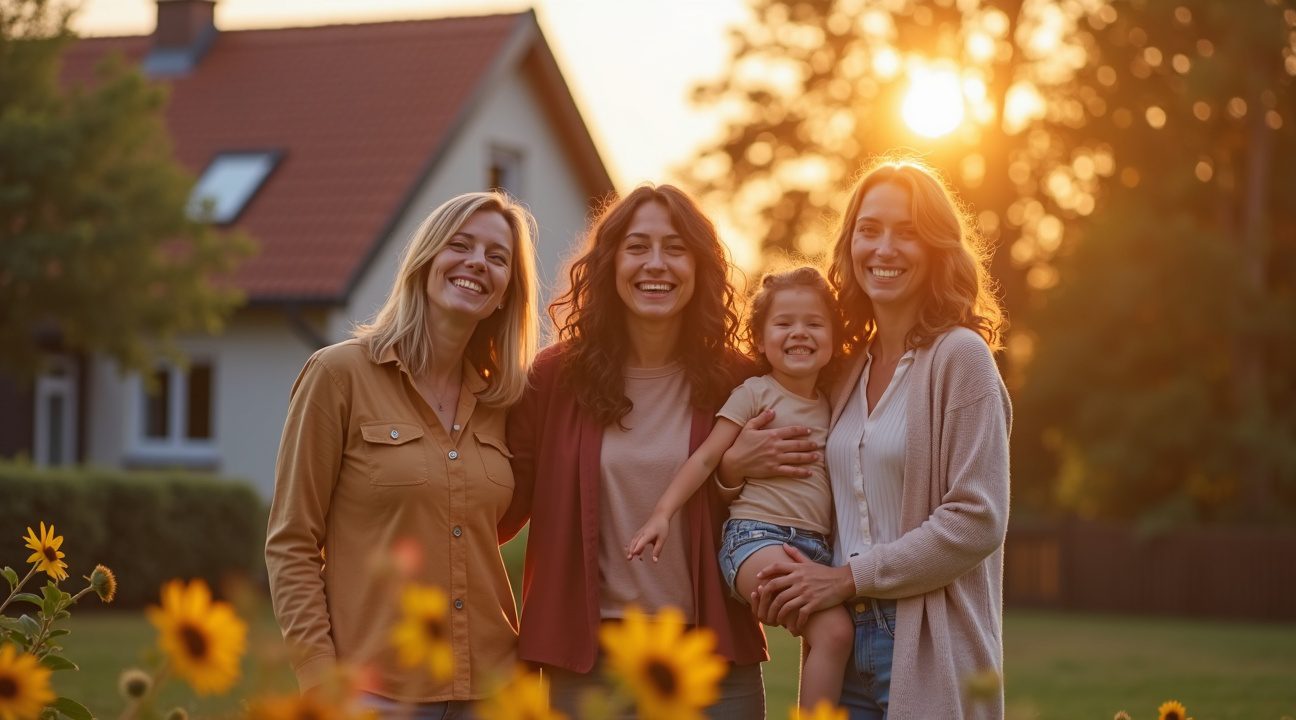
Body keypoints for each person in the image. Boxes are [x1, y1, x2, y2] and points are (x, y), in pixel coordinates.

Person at [726, 160, 1011, 719]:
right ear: (850, 243)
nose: (884, 248)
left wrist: (846, 578)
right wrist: (734, 471)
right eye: (869, 230)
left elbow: (977, 518)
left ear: (937, 247)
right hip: (840, 638)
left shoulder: (961, 358)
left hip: (924, 641)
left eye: (907, 232)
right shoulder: (844, 368)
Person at [265, 191, 540, 716]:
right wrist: (319, 678)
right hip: (375, 694)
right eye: (460, 245)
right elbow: (292, 542)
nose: (477, 262)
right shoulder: (338, 376)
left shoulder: (504, 402)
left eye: (497, 257)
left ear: (506, 293)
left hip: (493, 691)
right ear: (425, 261)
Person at [500, 184, 768, 718]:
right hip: (590, 661)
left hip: (712, 658)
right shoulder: (554, 379)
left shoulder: (741, 380)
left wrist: (729, 475)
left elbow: (784, 505)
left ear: (700, 267)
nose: (656, 264)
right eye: (638, 246)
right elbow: (498, 509)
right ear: (610, 264)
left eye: (675, 248)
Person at [626, 266, 853, 710]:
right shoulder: (755, 393)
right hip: (756, 539)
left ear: (833, 338)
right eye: (784, 323)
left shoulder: (835, 402)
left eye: (814, 323)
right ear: (761, 340)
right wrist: (661, 514)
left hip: (818, 549)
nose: (799, 332)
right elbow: (706, 458)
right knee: (834, 631)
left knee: (832, 635)